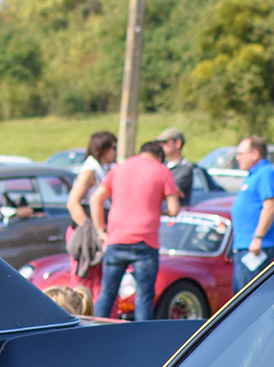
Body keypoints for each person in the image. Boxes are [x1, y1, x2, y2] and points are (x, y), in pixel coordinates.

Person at [91, 140, 181, 320]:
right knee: (144, 296)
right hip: (145, 241)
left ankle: (94, 329)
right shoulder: (162, 170)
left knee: (107, 292)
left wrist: (101, 231)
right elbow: (174, 209)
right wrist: (158, 207)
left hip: (116, 239)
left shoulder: (119, 167)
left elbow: (96, 199)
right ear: (160, 157)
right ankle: (143, 338)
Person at [230, 135, 274, 293]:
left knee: (250, 301)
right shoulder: (252, 175)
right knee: (239, 298)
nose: (237, 157)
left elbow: (270, 206)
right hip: (245, 246)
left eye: (241, 153)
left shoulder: (265, 173)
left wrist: (258, 237)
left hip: (257, 248)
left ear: (254, 154)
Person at [67, 130, 118, 227]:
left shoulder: (104, 168)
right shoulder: (89, 171)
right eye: (114, 148)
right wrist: (90, 229)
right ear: (103, 149)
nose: (115, 152)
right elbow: (72, 203)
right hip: (87, 229)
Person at [157, 127, 197, 205]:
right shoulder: (161, 165)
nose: (161, 145)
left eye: (165, 142)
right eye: (160, 143)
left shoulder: (186, 167)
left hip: (178, 214)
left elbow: (170, 190)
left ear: (178, 143)